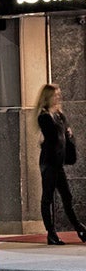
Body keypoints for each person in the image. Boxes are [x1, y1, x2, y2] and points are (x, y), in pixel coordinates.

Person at [36, 83, 86, 245]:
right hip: (49, 163)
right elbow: (53, 137)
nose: (58, 97)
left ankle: (79, 228)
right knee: (47, 198)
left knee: (67, 196)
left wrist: (67, 132)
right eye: (55, 94)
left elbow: (65, 135)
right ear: (48, 97)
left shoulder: (59, 115)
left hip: (57, 163)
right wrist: (64, 131)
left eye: (58, 94)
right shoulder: (44, 117)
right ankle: (51, 233)